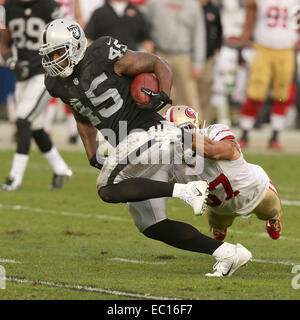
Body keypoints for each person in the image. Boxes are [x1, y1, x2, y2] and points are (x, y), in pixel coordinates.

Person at [39, 18, 252, 277]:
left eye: (59, 52)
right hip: (132, 149)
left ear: (75, 46)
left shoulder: (103, 52)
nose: (54, 60)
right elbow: (81, 114)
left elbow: (157, 62)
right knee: (152, 225)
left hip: (149, 132)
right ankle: (228, 253)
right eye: (50, 54)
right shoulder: (56, 83)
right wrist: (91, 152)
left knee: (106, 189)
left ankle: (188, 190)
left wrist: (163, 94)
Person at [165, 105, 282, 241]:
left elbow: (214, 151)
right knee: (218, 228)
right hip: (220, 208)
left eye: (184, 130)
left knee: (271, 211)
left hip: (255, 191)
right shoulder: (169, 162)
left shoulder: (214, 133)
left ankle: (274, 219)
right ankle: (220, 227)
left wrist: (183, 138)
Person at [0, 0, 72, 191]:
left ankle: (14, 179)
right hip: (23, 76)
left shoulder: (49, 7)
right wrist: (12, 62)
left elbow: (65, 41)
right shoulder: (8, 8)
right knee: (36, 127)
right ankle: (61, 169)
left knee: (23, 120)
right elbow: (4, 43)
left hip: (45, 74)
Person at [238, 0, 300, 150]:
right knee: (255, 92)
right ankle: (245, 133)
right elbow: (250, 19)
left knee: (283, 94)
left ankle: (275, 136)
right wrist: (243, 43)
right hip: (263, 47)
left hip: (286, 49)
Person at [140, 0, 206, 117]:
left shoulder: (193, 5)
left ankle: (196, 131)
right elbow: (141, 20)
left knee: (189, 97)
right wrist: (146, 39)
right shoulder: (155, 3)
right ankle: (157, 130)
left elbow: (199, 34)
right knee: (159, 96)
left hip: (184, 56)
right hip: (160, 55)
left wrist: (198, 63)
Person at [85, 0, 154, 53]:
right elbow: (88, 39)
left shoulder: (137, 12)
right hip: (104, 63)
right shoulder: (99, 12)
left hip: (131, 62)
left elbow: (147, 40)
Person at [197, 0, 222, 124]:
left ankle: (204, 125)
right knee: (187, 93)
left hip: (207, 58)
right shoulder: (190, 7)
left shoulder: (213, 9)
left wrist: (217, 47)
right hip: (190, 57)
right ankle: (183, 125)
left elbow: (219, 29)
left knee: (206, 92)